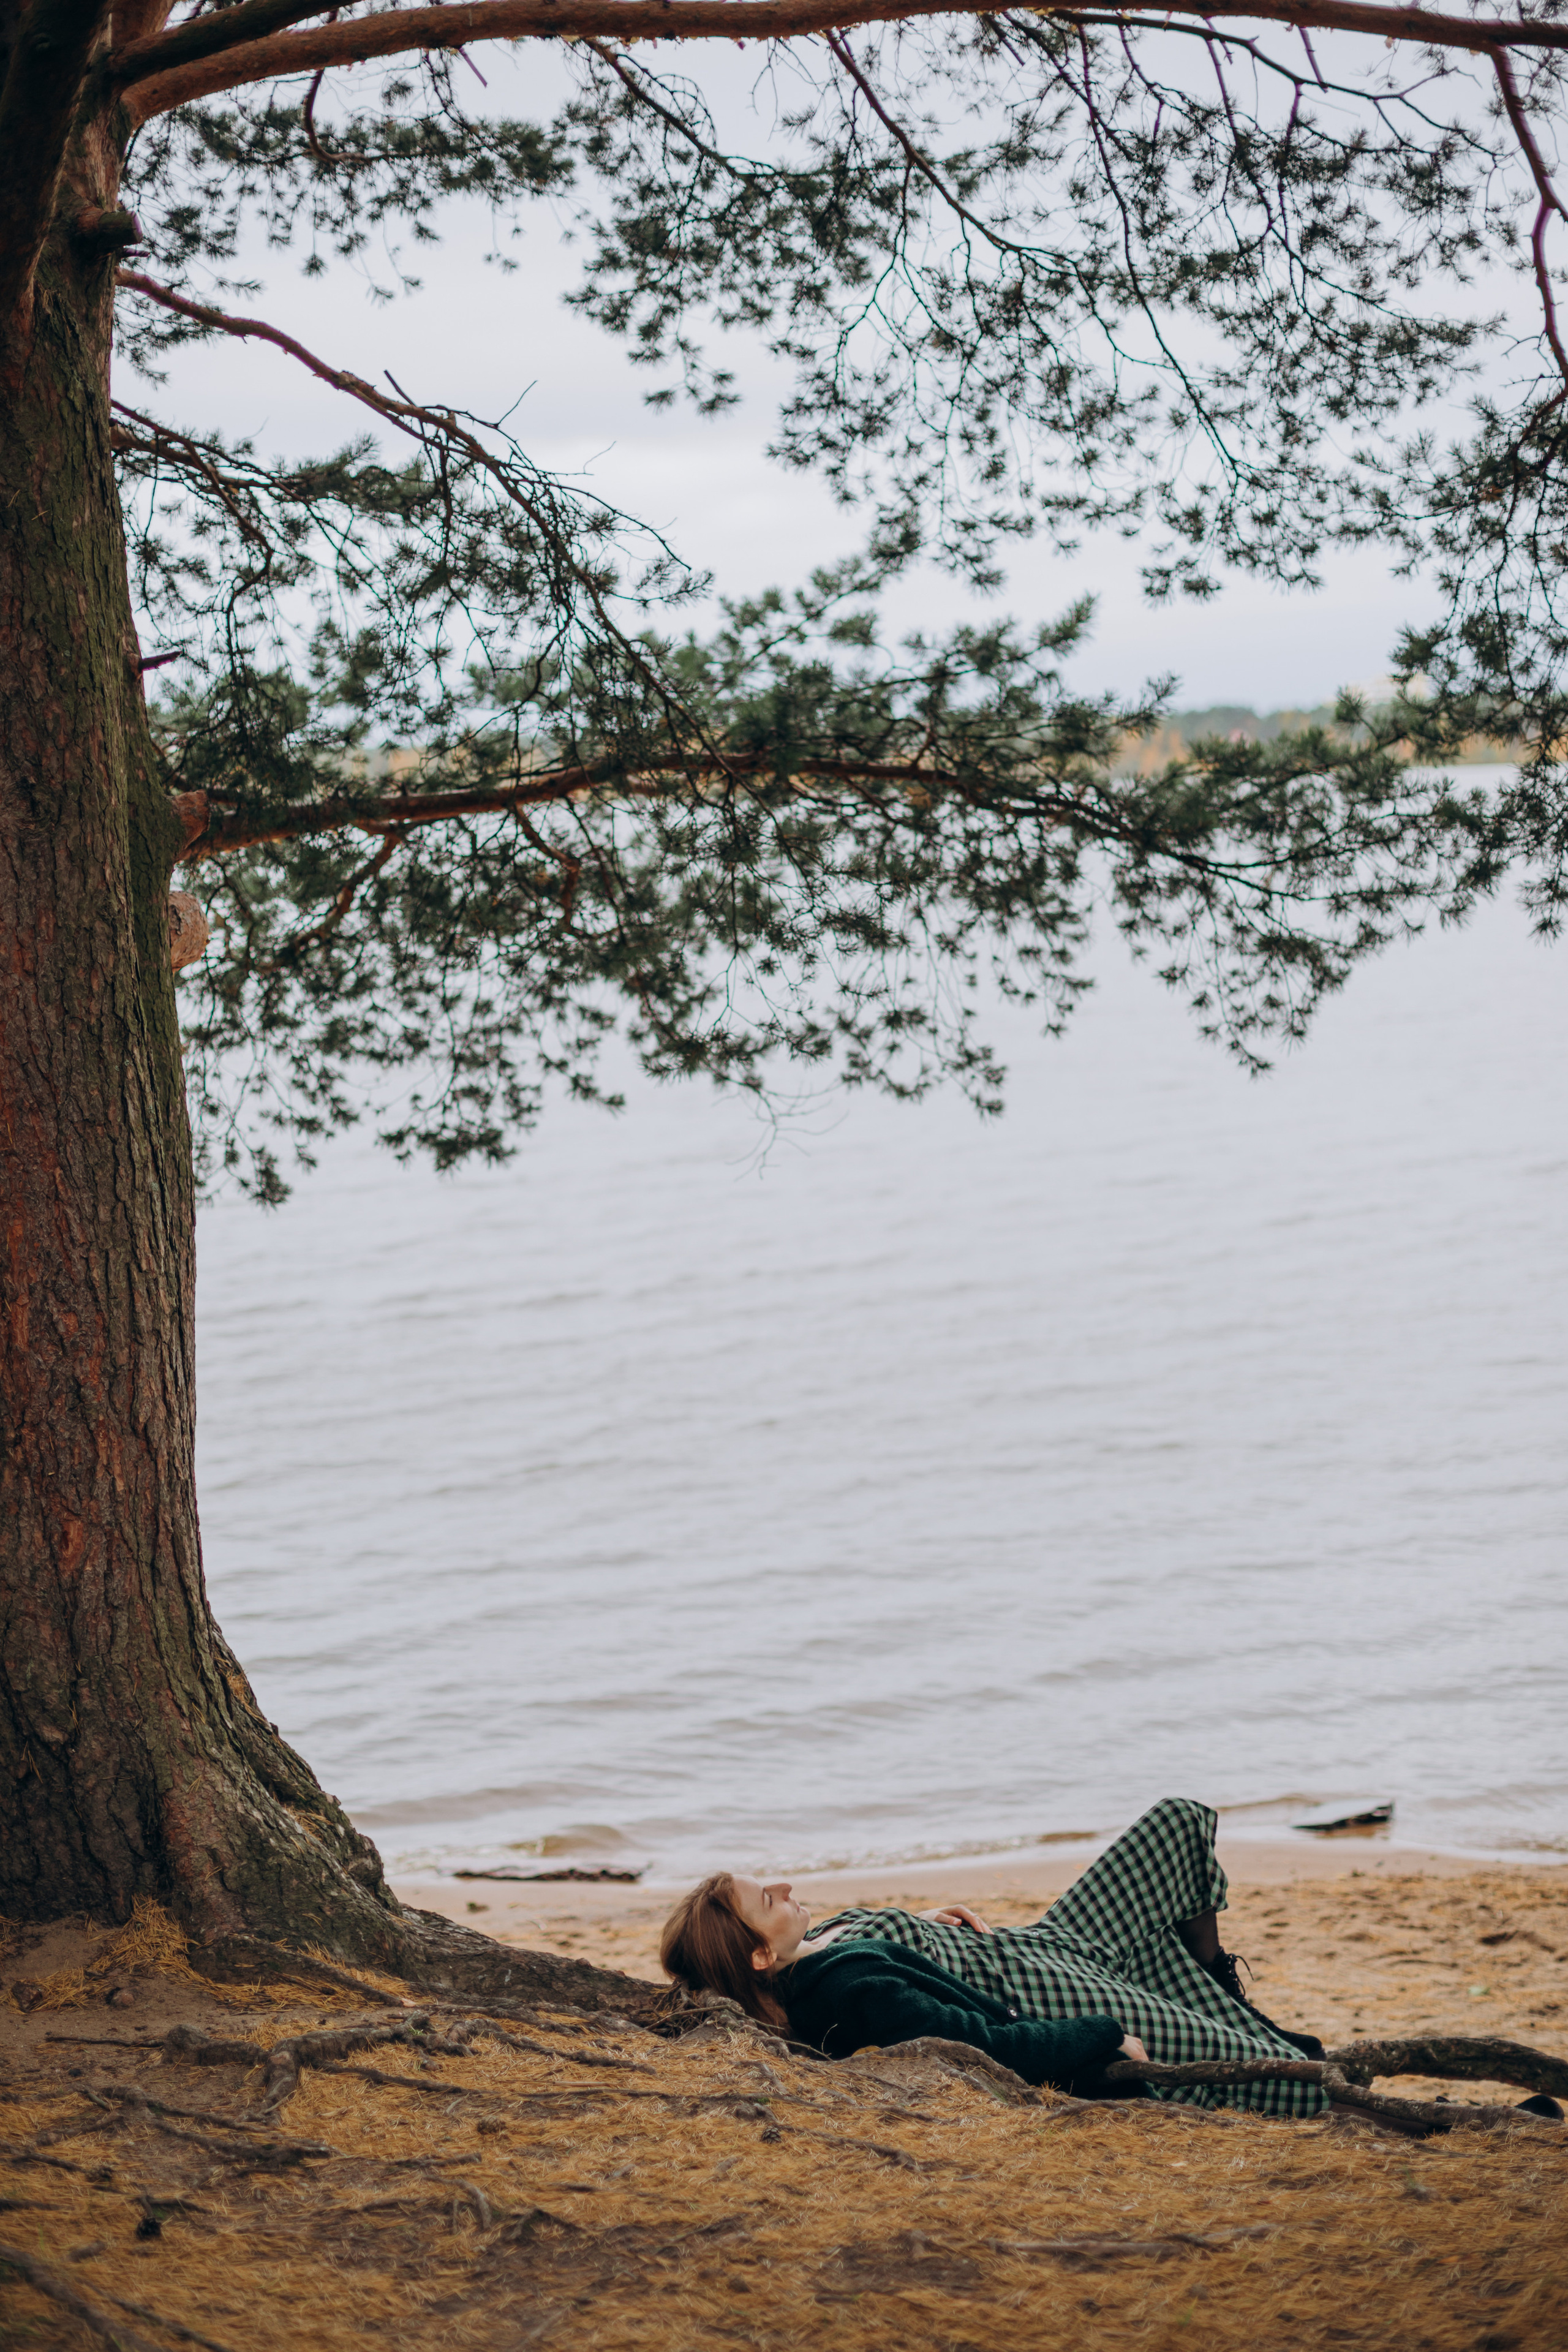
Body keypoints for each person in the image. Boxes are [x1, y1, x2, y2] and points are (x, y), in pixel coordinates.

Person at [660, 1795, 1329, 2117]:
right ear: (755, 1959)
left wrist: (907, 1922)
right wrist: (1100, 2036)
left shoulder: (821, 1945)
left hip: (1046, 1938)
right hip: (1056, 1995)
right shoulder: (844, 1992)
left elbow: (860, 1949)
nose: (784, 1886)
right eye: (767, 1900)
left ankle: (1221, 1989)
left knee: (1178, 1822)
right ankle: (1364, 2109)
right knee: (1289, 2073)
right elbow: (984, 2042)